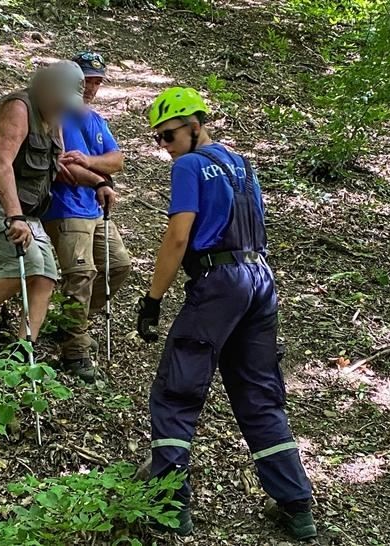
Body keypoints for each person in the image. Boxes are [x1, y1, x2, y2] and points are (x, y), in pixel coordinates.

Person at [136, 87, 317, 541]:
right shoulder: (241, 164)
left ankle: (169, 505)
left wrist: (153, 298)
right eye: (159, 139)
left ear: (196, 125)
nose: (165, 146)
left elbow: (179, 237)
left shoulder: (189, 166)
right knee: (258, 393)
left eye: (170, 136)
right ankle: (297, 506)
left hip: (219, 283)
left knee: (177, 391)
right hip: (259, 279)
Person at [0, 61, 97, 363]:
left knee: (45, 277)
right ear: (45, 90)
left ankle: (21, 353)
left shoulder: (51, 116)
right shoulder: (18, 108)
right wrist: (15, 217)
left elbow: (57, 167)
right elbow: (0, 163)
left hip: (26, 210)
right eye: (61, 99)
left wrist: (98, 182)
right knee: (27, 265)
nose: (63, 108)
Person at [42, 51, 131, 382]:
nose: (91, 87)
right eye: (86, 80)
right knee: (81, 274)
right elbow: (63, 167)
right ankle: (75, 350)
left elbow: (117, 159)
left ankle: (71, 324)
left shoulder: (94, 120)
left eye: (97, 81)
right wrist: (96, 175)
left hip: (93, 206)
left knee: (118, 266)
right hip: (65, 207)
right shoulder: (54, 115)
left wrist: (91, 164)